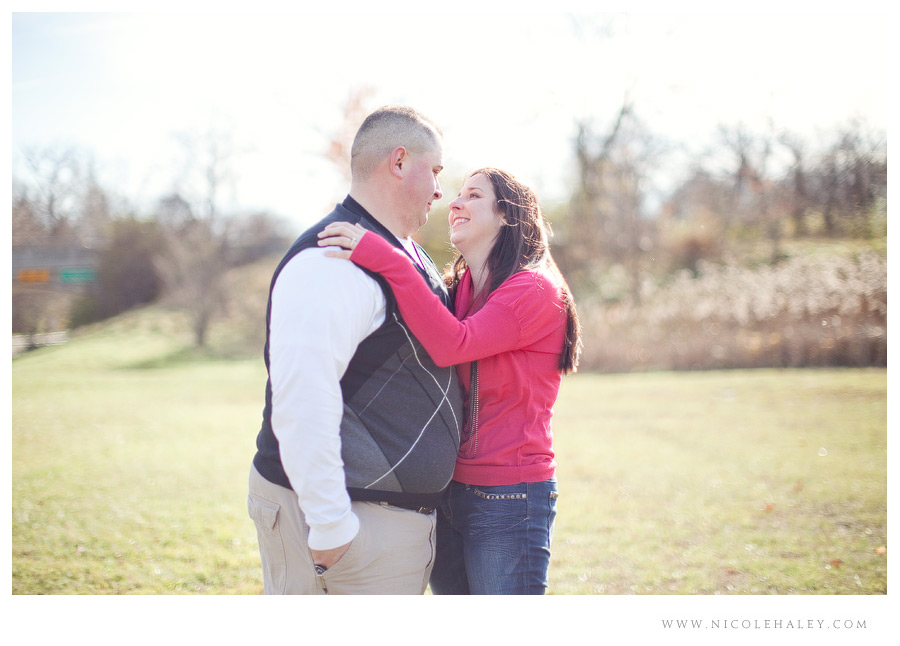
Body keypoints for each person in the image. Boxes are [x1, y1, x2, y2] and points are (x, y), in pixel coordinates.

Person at [317, 167, 582, 595]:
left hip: (509, 500)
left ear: (507, 215)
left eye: (473, 196)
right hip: (448, 494)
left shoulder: (535, 289)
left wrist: (386, 257)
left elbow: (453, 344)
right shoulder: (458, 289)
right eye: (456, 195)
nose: (455, 203)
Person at [248, 106, 463, 595]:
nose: (438, 189)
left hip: (384, 524)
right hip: (348, 526)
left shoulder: (403, 251)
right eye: (435, 171)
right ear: (400, 161)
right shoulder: (332, 259)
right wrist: (331, 526)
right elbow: (304, 394)